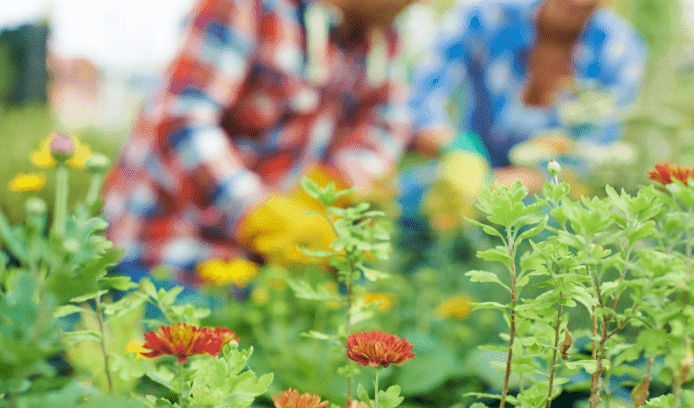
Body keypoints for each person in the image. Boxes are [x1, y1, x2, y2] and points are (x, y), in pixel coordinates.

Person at [102, 0, 418, 286]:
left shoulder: (381, 37)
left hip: (263, 269)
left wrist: (334, 184)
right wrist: (256, 213)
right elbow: (181, 122)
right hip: (166, 254)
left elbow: (388, 126)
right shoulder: (249, 7)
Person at [407, 0, 648, 201]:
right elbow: (422, 96)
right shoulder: (487, 15)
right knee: (411, 198)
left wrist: (521, 182)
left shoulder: (620, 50)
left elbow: (595, 151)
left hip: (547, 190)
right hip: (465, 171)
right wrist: (456, 148)